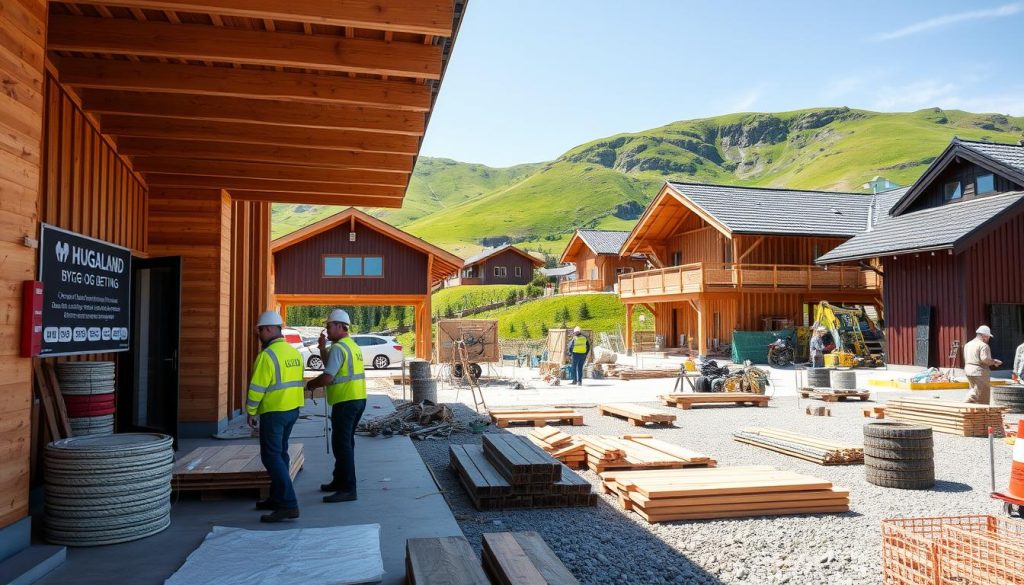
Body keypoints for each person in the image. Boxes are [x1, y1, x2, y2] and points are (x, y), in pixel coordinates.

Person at [246, 310, 305, 523]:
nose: (259, 335)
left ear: (269, 329)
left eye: (260, 330)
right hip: (292, 409)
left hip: (274, 411)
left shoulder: (267, 356)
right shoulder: (293, 353)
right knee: (281, 453)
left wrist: (251, 411)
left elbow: (257, 388)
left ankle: (288, 504)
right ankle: (277, 497)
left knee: (271, 456)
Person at [305, 309, 366, 503]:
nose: (327, 330)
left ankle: (348, 489)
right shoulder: (351, 346)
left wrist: (310, 385)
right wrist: (322, 348)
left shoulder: (340, 348)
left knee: (342, 445)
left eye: (329, 326)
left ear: (340, 326)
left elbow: (328, 376)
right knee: (345, 443)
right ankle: (339, 481)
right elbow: (331, 365)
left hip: (346, 402)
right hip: (357, 400)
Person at [964, 325, 1002, 404]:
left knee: (974, 389)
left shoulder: (968, 344)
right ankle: (968, 403)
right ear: (984, 336)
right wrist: (994, 362)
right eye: (988, 337)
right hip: (979, 371)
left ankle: (973, 411)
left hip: (968, 369)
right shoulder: (983, 345)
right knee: (981, 393)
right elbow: (984, 359)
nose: (988, 339)